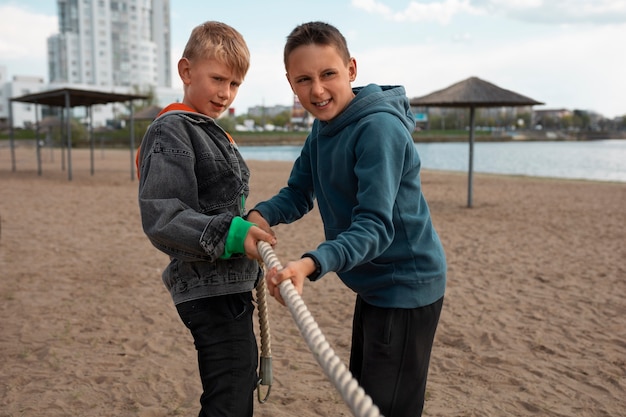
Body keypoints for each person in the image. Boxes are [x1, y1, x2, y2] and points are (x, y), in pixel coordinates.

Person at [247, 21, 446, 417]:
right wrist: (260, 213)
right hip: (373, 281)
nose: (317, 90)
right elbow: (299, 192)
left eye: (328, 74)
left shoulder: (379, 129)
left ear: (351, 69)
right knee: (366, 391)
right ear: (290, 83)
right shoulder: (322, 129)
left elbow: (374, 226)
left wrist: (309, 264)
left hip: (407, 283)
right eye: (304, 79)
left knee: (385, 406)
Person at [136, 21, 276, 417]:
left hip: (228, 286)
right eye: (217, 79)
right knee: (229, 400)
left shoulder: (207, 129)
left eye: (234, 84)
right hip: (208, 290)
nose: (225, 93)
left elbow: (222, 205)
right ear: (186, 71)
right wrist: (234, 234)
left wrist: (247, 225)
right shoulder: (172, 130)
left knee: (236, 385)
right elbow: (163, 216)